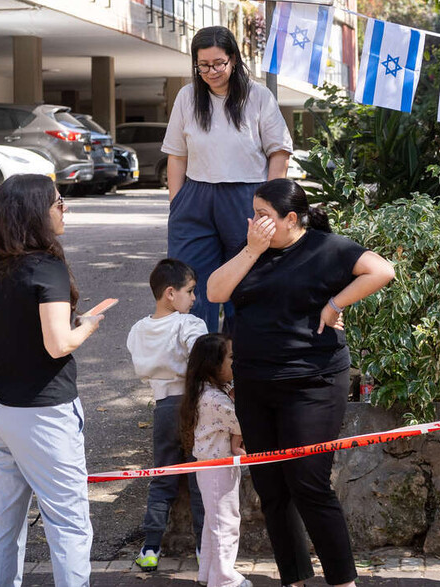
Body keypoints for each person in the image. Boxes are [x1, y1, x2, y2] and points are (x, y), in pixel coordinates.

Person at [207, 178, 396, 587]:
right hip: (255, 383)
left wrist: (335, 303)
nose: (254, 222)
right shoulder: (250, 252)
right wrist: (252, 249)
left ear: (291, 219)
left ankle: (342, 580)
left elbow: (382, 270)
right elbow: (215, 290)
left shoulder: (326, 248)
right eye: (252, 213)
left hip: (313, 382)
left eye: (263, 215)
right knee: (270, 487)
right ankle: (293, 579)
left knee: (308, 482)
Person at [0, 174, 104, 586]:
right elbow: (57, 344)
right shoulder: (47, 266)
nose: (64, 208)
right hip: (43, 413)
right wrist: (87, 326)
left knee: (3, 517)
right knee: (68, 521)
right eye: (58, 202)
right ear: (36, 213)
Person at [163, 25, 294, 333]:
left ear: (233, 59)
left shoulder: (259, 96)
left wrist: (269, 207)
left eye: (218, 63)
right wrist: (177, 203)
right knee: (188, 284)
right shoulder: (187, 97)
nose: (212, 71)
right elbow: (176, 155)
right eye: (203, 65)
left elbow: (280, 153)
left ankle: (240, 367)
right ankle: (196, 364)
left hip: (246, 196)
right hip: (195, 198)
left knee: (245, 283)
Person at [125, 258, 208, 571]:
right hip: (193, 404)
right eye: (190, 291)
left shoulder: (138, 330)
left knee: (161, 477)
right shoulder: (189, 324)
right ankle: (203, 548)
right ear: (170, 293)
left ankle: (150, 548)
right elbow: (201, 355)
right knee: (200, 477)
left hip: (162, 407)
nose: (194, 298)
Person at [179, 333, 250, 587]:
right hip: (218, 468)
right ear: (213, 365)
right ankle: (224, 577)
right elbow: (243, 420)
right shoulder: (215, 399)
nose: (235, 361)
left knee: (214, 522)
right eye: (230, 357)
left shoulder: (206, 392)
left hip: (211, 466)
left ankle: (209, 572)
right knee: (226, 524)